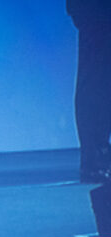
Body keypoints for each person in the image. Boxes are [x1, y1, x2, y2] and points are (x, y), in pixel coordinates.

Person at [67, 0, 111, 182]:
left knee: (100, 79)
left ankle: (98, 156)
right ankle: (94, 159)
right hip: (95, 9)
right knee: (96, 79)